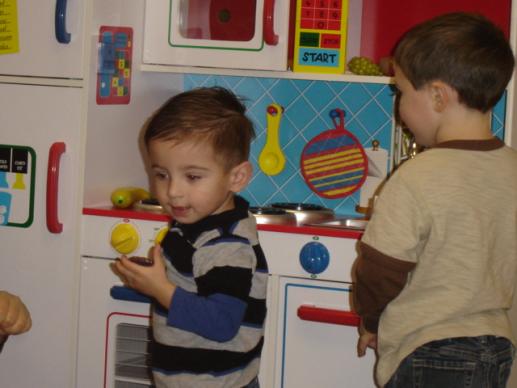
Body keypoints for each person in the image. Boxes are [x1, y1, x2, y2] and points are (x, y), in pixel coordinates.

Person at [353, 12, 517, 388]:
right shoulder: (511, 169)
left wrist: (372, 321)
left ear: (439, 96)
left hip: (429, 352)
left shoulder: (416, 176)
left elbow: (379, 271)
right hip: (497, 348)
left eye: (401, 92)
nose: (399, 107)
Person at [112, 86, 268, 388]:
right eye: (161, 174)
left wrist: (161, 290)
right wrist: (152, 279)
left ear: (237, 177)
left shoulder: (228, 245)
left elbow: (223, 323)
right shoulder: (193, 225)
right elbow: (193, 286)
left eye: (193, 177)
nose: (173, 191)